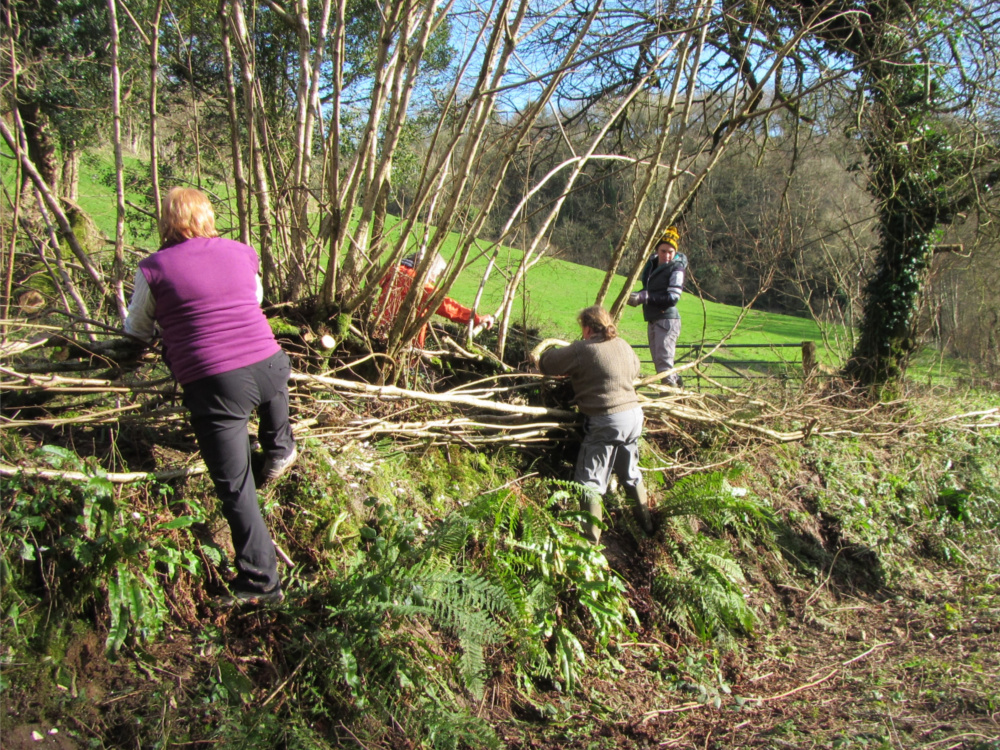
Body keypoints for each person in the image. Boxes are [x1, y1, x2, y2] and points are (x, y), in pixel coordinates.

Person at [124, 187, 295, 606]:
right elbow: (253, 300)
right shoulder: (241, 251)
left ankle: (261, 585)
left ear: (166, 221)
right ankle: (279, 447)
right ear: (207, 216)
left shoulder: (153, 269)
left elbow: (136, 333)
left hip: (217, 382)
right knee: (272, 401)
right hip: (271, 364)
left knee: (236, 487)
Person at [533, 306, 652, 543]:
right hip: (634, 417)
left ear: (587, 328)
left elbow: (547, 364)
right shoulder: (623, 345)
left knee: (590, 482)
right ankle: (648, 526)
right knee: (630, 473)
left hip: (607, 421)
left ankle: (590, 542)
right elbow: (635, 370)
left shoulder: (583, 349)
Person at [373, 251, 494, 348]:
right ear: (428, 267)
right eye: (435, 275)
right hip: (400, 344)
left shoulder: (395, 272)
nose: (434, 281)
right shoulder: (416, 281)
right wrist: (475, 318)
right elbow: (444, 304)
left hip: (378, 330)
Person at [628, 225, 688, 386]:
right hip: (653, 318)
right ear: (657, 250)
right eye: (663, 251)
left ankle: (670, 399)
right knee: (659, 363)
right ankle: (676, 391)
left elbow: (672, 297)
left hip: (667, 320)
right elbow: (650, 290)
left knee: (664, 365)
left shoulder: (677, 269)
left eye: (670, 252)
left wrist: (645, 297)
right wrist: (636, 296)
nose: (667, 256)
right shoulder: (651, 265)